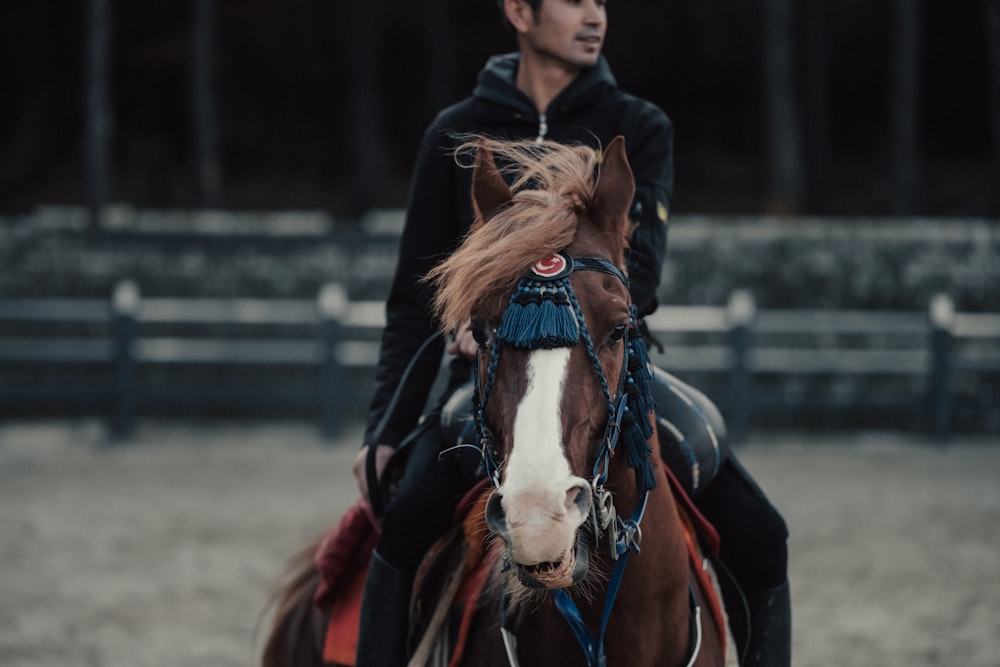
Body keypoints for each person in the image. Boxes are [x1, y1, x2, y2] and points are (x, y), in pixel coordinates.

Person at [352, 1, 790, 665]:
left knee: (761, 533)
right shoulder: (457, 132)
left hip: (609, 369)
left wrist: (553, 306)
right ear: (520, 12)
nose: (595, 15)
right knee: (402, 527)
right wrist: (385, 429)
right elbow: (412, 303)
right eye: (574, 0)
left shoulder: (639, 126)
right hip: (485, 380)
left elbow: (638, 277)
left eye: (601, 2)